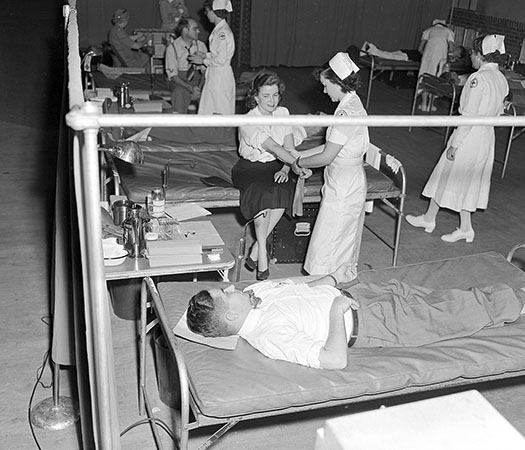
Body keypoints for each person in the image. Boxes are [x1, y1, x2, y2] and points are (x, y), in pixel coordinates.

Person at [186, 267, 525, 370]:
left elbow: (300, 289)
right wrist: (336, 312)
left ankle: (510, 300)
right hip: (377, 323)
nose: (231, 286)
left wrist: (331, 281)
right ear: (231, 314)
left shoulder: (256, 291)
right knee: (461, 311)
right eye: (224, 292)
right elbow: (333, 360)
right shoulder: (269, 335)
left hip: (367, 293)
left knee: (451, 300)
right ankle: (519, 302)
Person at [406, 34, 509, 243]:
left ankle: (462, 227)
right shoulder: (501, 79)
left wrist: (455, 143)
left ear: (480, 55)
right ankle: (433, 219)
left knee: (454, 176)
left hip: (470, 135)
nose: (470, 56)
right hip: (486, 136)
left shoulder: (478, 78)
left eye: (472, 53)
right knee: (456, 177)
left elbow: (469, 116)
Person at [291, 52, 369, 279]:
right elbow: (330, 146)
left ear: (337, 83)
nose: (324, 91)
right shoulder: (350, 103)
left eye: (326, 85)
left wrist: (300, 162)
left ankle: (328, 285)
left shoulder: (347, 112)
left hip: (345, 183)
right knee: (332, 237)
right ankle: (329, 282)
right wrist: (300, 155)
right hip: (342, 178)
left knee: (333, 240)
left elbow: (327, 156)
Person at [231, 72, 311, 281]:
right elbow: (273, 146)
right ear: (255, 96)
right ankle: (262, 257)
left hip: (277, 164)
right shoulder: (248, 120)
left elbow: (289, 147)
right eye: (266, 96)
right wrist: (294, 164)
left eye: (275, 95)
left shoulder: (283, 112)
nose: (272, 101)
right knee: (263, 197)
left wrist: (288, 168)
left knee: (284, 189)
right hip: (250, 167)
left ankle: (257, 246)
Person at [188, 0, 236, 115]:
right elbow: (218, 54)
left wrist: (203, 60)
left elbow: (221, 60)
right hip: (215, 74)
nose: (206, 14)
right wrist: (205, 55)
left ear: (214, 11)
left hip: (220, 77)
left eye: (207, 11)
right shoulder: (219, 30)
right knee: (210, 107)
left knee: (220, 109)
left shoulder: (222, 33)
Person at [165, 18, 207, 113]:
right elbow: (173, 76)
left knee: (208, 90)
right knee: (179, 92)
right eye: (195, 29)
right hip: (180, 80)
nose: (198, 31)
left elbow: (205, 71)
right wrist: (190, 88)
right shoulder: (172, 48)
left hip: (198, 79)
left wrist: (199, 88)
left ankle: (206, 123)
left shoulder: (201, 46)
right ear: (185, 30)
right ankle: (180, 121)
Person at [417, 19, 455, 111]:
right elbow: (451, 48)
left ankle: (424, 103)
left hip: (427, 57)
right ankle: (431, 104)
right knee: (437, 78)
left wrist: (427, 55)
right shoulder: (448, 31)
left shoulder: (428, 30)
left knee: (425, 76)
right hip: (440, 58)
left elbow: (420, 49)